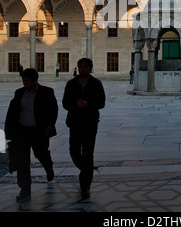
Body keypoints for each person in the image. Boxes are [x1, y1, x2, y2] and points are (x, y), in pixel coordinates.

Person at [4, 68, 58, 203]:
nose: (24, 83)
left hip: (39, 131)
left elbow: (53, 110)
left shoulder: (46, 92)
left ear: (35, 80)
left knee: (41, 153)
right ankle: (25, 189)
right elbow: (12, 112)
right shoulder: (19, 93)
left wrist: (50, 127)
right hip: (22, 131)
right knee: (22, 161)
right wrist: (10, 132)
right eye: (23, 80)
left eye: (27, 80)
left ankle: (48, 166)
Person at [62, 58, 106, 199]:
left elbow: (101, 103)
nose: (82, 69)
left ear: (90, 68)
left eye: (85, 67)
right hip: (75, 122)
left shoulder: (96, 83)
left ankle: (85, 186)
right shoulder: (71, 84)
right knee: (73, 151)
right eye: (80, 67)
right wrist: (76, 104)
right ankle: (87, 170)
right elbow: (65, 103)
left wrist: (87, 104)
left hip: (90, 122)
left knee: (88, 153)